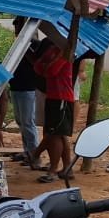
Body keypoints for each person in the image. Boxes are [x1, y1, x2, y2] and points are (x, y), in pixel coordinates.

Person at [32, 40, 75, 181]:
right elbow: (38, 67)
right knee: (59, 134)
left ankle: (53, 170)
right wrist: (48, 66)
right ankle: (67, 168)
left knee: (55, 134)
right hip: (53, 97)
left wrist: (48, 65)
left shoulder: (66, 53)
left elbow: (50, 71)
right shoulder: (53, 49)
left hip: (62, 98)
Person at [7, 18, 41, 165]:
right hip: (16, 86)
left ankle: (35, 155)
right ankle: (27, 151)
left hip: (28, 87)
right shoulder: (18, 44)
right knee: (21, 121)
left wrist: (24, 49)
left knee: (28, 122)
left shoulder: (34, 45)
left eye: (19, 29)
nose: (17, 32)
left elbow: (37, 64)